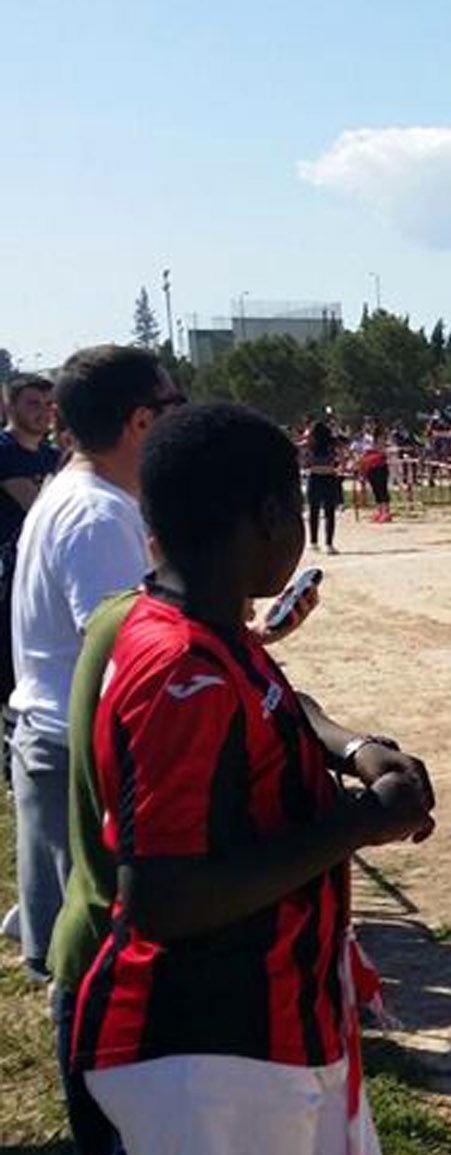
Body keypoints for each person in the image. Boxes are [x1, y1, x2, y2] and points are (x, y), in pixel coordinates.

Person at [66, 402, 426, 1155]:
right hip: (209, 1048)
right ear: (270, 515)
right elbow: (164, 896)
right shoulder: (178, 669)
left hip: (282, 1027)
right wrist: (357, 825)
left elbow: (279, 698)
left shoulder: (210, 626)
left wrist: (354, 747)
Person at [9, 347, 179, 985]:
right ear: (141, 421)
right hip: (76, 748)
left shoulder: (78, 494)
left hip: (55, 737)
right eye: (173, 405)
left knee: (71, 949)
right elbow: (124, 649)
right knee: (90, 964)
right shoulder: (98, 514)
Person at [1, 376, 64, 730]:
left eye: (48, 404)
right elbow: (40, 508)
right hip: (8, 573)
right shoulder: (5, 452)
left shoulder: (52, 457)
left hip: (40, 570)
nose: (44, 412)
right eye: (33, 404)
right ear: (10, 407)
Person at [303, 419, 345, 553]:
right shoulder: (333, 443)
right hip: (329, 476)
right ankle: (329, 544)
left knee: (313, 511)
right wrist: (341, 467)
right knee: (329, 512)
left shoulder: (310, 444)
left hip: (314, 477)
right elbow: (343, 454)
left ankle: (313, 542)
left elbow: (303, 459)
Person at [355, 419, 393, 524]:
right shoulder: (365, 438)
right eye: (367, 424)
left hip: (379, 465)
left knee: (382, 489)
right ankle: (380, 510)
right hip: (370, 465)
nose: (369, 427)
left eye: (371, 424)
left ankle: (386, 512)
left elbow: (381, 449)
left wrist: (371, 451)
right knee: (375, 489)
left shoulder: (380, 437)